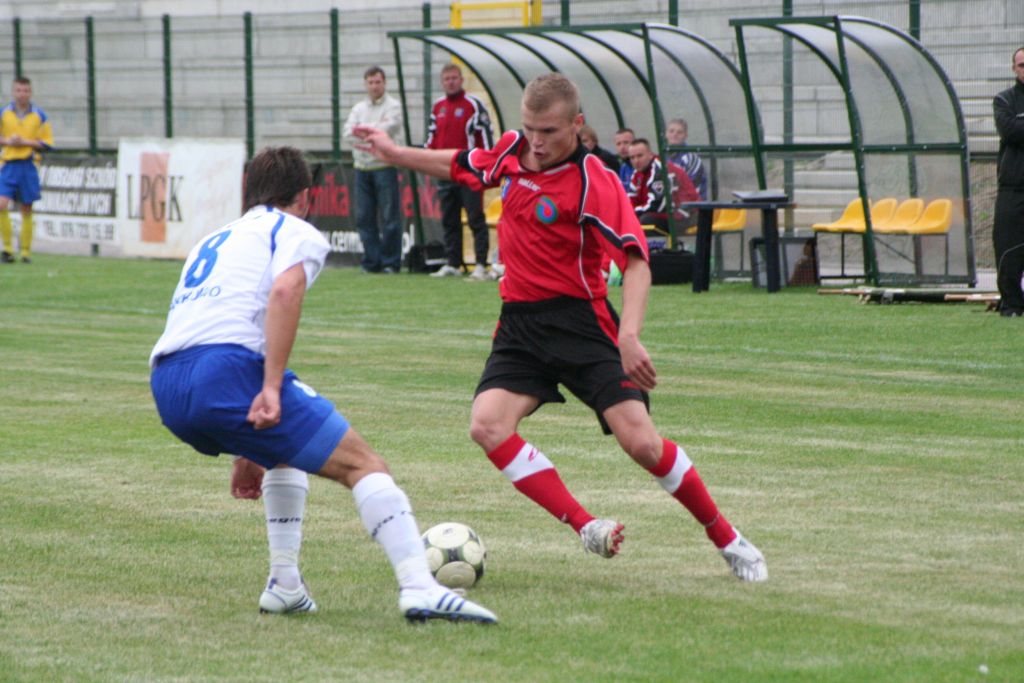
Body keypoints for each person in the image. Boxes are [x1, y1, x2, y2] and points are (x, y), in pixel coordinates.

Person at [354, 74, 767, 582]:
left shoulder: (595, 179)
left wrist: (629, 334)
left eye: (548, 130)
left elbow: (636, 262)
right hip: (520, 325)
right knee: (487, 425)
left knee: (642, 445)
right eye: (529, 128)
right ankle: (585, 525)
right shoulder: (510, 152)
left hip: (581, 323)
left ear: (576, 124)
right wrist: (394, 153)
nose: (536, 141)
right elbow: (458, 163)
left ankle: (727, 537)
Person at [148, 146, 497, 623]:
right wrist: (269, 388)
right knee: (365, 464)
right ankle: (420, 587)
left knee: (285, 450)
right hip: (225, 371)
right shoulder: (292, 229)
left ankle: (285, 583)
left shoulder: (215, 238)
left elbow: (215, 323)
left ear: (250, 192)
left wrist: (246, 445)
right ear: (307, 198)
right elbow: (285, 291)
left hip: (168, 384)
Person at [425, 63, 495, 280]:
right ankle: (453, 263)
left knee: (475, 218)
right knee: (449, 219)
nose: (451, 82)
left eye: (454, 78)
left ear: (461, 80)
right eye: (447, 79)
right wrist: (429, 159)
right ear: (442, 82)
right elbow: (431, 138)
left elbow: (485, 136)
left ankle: (482, 265)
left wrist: (482, 166)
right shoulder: (438, 107)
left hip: (468, 171)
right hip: (446, 171)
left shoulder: (473, 105)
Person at [342, 66, 404, 274]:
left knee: (389, 217)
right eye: (371, 82)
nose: (374, 86)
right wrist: (373, 129)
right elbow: (347, 133)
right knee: (364, 217)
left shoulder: (394, 106)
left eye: (378, 82)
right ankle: (371, 262)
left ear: (384, 83)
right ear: (365, 84)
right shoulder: (359, 107)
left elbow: (387, 131)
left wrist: (363, 129)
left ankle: (390, 263)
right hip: (362, 167)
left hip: (385, 167)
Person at [0, 76, 53, 264]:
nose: (22, 94)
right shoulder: (4, 113)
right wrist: (7, 141)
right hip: (8, 164)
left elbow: (47, 143)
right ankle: (6, 250)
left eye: (25, 91)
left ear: (30, 92)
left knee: (27, 208)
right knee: (1, 204)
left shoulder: (39, 116)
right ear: (13, 92)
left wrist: (25, 142)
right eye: (18, 90)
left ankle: (25, 252)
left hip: (28, 165)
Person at [993, 47, 1024, 317]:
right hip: (1013, 187)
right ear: (1014, 69)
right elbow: (1011, 131)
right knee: (1009, 247)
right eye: (1022, 65)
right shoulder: (1004, 99)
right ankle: (1012, 304)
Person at [627, 138, 699, 231]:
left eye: (640, 156)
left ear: (650, 155)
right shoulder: (637, 173)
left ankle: (655, 245)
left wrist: (631, 213)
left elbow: (656, 205)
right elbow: (631, 199)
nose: (636, 161)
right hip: (665, 214)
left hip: (686, 215)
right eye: (632, 157)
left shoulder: (660, 170)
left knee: (645, 220)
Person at [665, 117, 707, 200]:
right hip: (671, 204)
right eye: (671, 131)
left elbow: (690, 189)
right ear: (666, 134)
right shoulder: (663, 156)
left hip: (692, 207)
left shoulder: (691, 158)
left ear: (685, 135)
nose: (674, 134)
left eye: (679, 132)